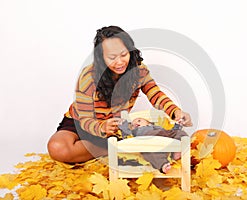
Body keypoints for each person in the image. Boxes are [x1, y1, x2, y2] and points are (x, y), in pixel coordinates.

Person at [47, 25, 193, 163]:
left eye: (124, 54)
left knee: (131, 136)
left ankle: (110, 146)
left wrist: (175, 111)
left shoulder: (139, 71)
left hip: (114, 128)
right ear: (101, 57)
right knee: (56, 148)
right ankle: (113, 148)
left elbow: (155, 94)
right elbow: (85, 119)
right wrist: (101, 127)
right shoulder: (88, 76)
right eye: (112, 57)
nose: (119, 62)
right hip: (81, 122)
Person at [118, 117, 188, 173]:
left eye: (139, 120)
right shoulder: (134, 132)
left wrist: (177, 126)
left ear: (149, 124)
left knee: (180, 133)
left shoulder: (154, 127)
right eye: (132, 125)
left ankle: (176, 150)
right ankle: (163, 164)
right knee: (150, 153)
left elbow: (170, 132)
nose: (135, 123)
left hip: (162, 135)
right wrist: (123, 124)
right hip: (147, 140)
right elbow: (127, 133)